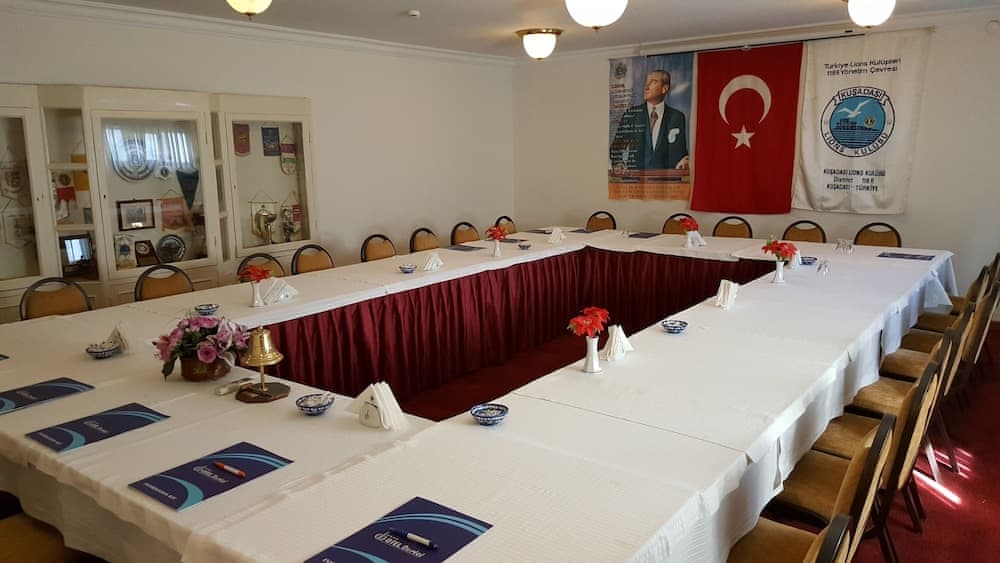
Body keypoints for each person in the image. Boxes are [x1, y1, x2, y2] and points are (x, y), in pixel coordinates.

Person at [611, 70, 690, 171]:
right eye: (646, 82)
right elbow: (616, 148)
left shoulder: (677, 117)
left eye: (653, 82)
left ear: (664, 88)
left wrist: (685, 160)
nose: (646, 87)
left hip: (666, 179)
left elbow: (681, 152)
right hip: (636, 179)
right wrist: (618, 163)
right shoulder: (631, 115)